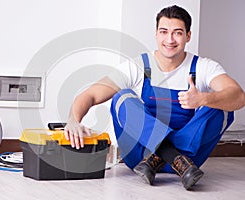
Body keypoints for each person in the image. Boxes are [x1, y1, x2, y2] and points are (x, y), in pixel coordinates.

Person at [63, 5, 245, 190]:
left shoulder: (203, 66)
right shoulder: (140, 65)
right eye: (164, 32)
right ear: (156, 34)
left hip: (187, 160)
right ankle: (173, 156)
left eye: (177, 33)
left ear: (188, 36)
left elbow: (238, 96)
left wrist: (204, 99)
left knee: (222, 105)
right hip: (143, 157)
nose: (170, 39)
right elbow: (91, 94)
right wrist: (73, 120)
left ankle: (163, 158)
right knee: (122, 97)